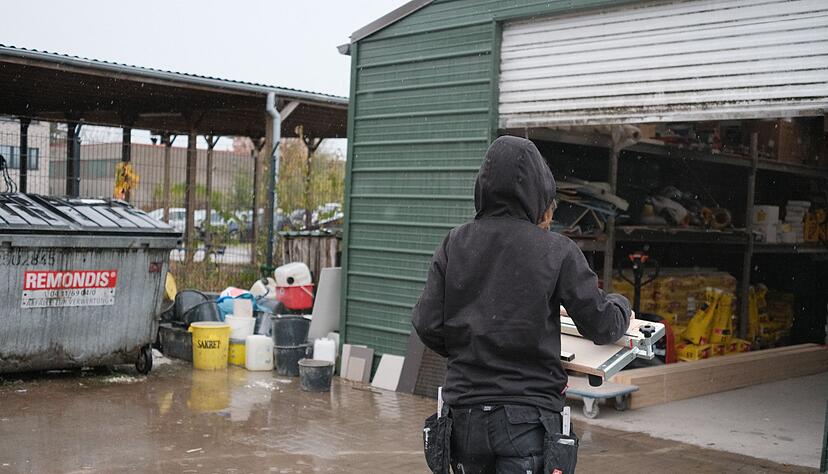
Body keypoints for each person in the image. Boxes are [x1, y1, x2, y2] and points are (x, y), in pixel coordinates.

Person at [412, 136, 631, 474]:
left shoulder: (454, 243)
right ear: (539, 193)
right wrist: (621, 305)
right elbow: (601, 326)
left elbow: (427, 324)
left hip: (464, 420)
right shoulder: (557, 250)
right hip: (528, 422)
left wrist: (473, 348)